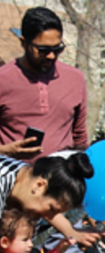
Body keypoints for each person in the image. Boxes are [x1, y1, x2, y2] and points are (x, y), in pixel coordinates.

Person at [0, 7, 87, 160]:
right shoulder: (3, 80)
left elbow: (80, 140)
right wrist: (5, 151)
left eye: (57, 48)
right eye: (43, 50)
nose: (51, 55)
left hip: (60, 179)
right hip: (12, 179)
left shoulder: (75, 79)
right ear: (23, 43)